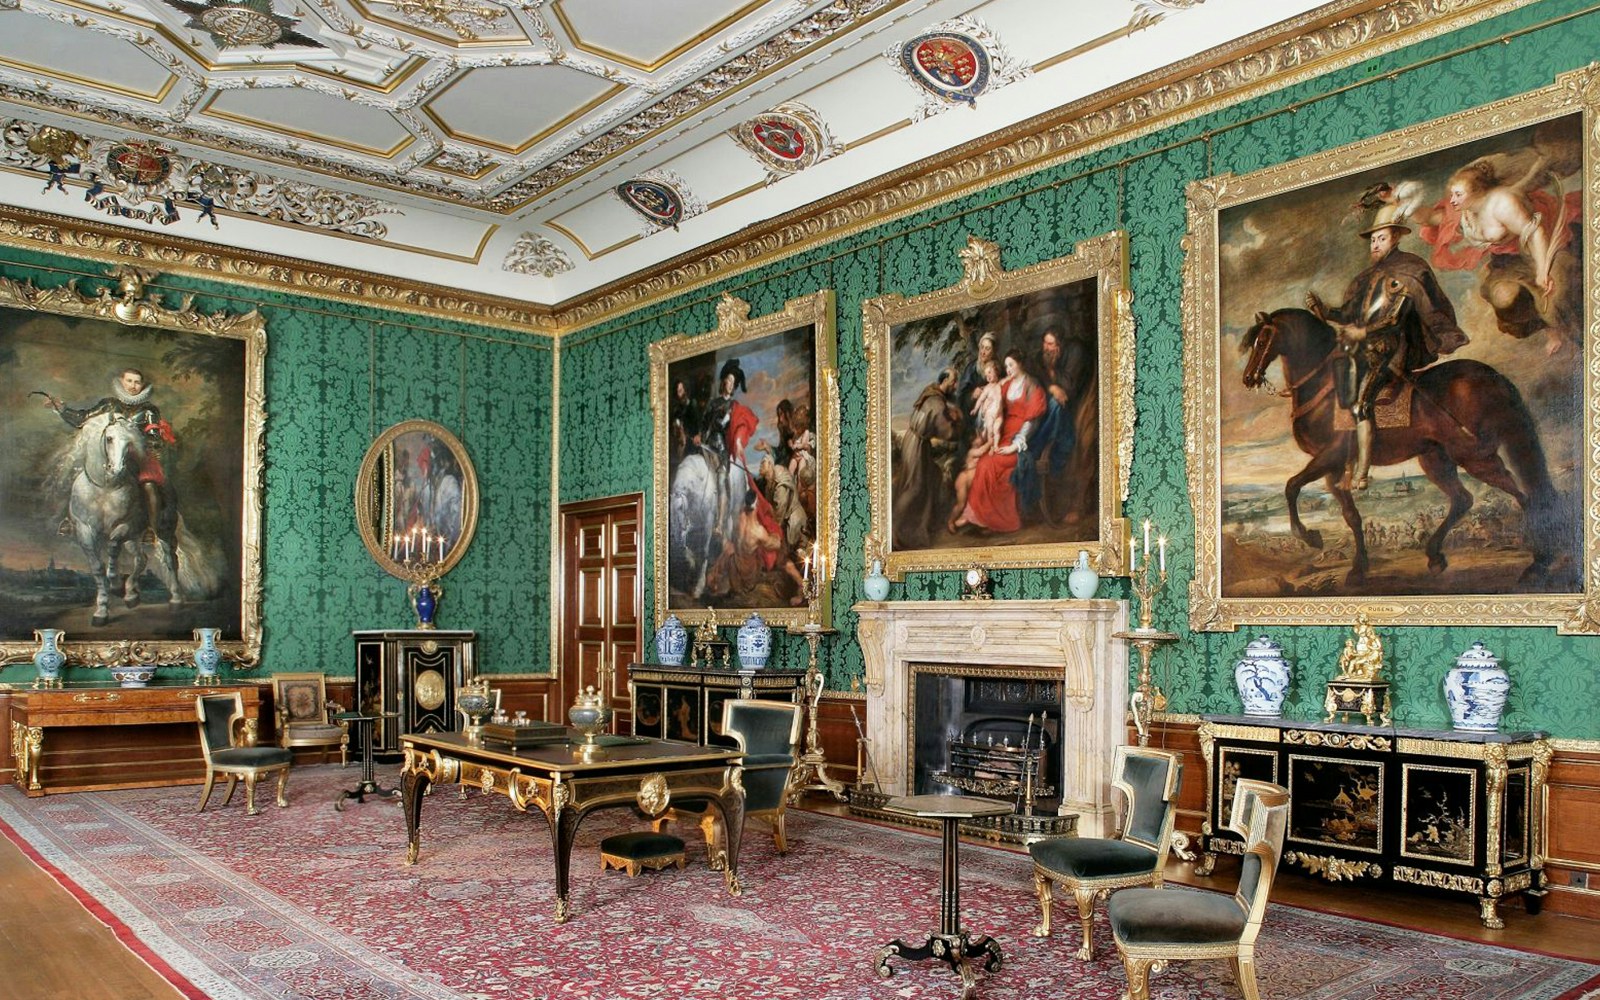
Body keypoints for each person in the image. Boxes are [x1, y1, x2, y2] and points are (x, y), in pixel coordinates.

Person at [1306, 204, 1467, 491]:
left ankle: (1362, 472)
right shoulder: (1367, 278)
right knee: (1338, 379)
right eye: (1373, 240)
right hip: (1363, 348)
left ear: (1395, 238)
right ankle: (1344, 457)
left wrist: (1362, 331)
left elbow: (1394, 319)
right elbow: (1347, 314)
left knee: (1361, 403)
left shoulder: (1408, 270)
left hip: (1389, 349)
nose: (1375, 244)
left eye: (1381, 238)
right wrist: (1325, 310)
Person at [1416, 155, 1582, 355]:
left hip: (1544, 250)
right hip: (1509, 259)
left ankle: (1583, 339)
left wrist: (1543, 270)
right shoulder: (1465, 210)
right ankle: (1548, 328)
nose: (1452, 200)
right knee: (1503, 298)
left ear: (1477, 191)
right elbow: (1430, 218)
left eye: (1458, 194)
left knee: (1557, 298)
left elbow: (1536, 233)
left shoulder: (1502, 203)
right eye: (1453, 195)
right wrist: (1403, 203)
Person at [44, 367, 176, 543]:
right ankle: (69, 519)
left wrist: (147, 441)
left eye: (137, 382)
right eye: (129, 381)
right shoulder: (109, 404)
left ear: (142, 385)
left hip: (136, 456)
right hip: (106, 454)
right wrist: (61, 409)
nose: (133, 386)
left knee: (150, 486)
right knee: (74, 473)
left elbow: (154, 438)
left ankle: (150, 529)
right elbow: (83, 419)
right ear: (122, 381)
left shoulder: (149, 411)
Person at [950, 351, 1047, 534]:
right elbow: (992, 403)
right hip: (1002, 435)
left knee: (990, 464)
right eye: (1006, 366)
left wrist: (1015, 444)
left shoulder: (1032, 386)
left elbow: (1032, 422)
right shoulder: (1006, 384)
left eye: (1011, 365)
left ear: (1021, 364)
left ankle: (986, 517)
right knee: (986, 463)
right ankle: (977, 515)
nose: (1008, 369)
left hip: (1020, 440)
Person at [892, 367, 961, 550]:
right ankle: (895, 528)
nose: (955, 385)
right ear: (944, 381)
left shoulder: (931, 394)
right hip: (917, 444)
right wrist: (959, 423)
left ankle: (925, 523)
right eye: (953, 381)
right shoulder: (937, 403)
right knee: (915, 486)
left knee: (934, 477)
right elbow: (947, 431)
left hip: (914, 440)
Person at [1336, 613, 1385, 681]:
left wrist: (1370, 647)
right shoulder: (1357, 628)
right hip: (1360, 645)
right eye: (1361, 618)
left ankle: (1360, 672)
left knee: (1361, 659)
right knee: (1355, 660)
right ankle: (1353, 673)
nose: (1362, 619)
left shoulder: (1370, 631)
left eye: (1363, 618)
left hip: (1366, 646)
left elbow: (1378, 647)